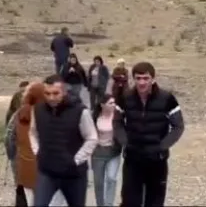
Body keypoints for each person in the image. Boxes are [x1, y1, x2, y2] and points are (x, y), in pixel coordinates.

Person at [114, 62, 185, 207]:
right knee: (129, 202)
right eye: (138, 78)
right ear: (133, 79)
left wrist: (162, 146)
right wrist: (125, 141)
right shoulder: (125, 98)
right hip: (133, 160)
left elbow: (178, 126)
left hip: (157, 161)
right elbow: (117, 122)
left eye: (146, 78)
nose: (142, 82)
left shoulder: (167, 99)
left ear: (153, 79)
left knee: (155, 202)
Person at [30, 74, 98, 207]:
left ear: (64, 92)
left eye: (55, 93)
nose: (51, 97)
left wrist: (76, 160)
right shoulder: (37, 110)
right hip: (47, 172)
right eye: (47, 93)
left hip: (73, 175)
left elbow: (91, 138)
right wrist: (37, 151)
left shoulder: (80, 111)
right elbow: (32, 132)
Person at [12, 82, 45, 206]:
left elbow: (10, 137)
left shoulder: (19, 114)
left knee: (30, 198)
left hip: (24, 162)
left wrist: (13, 157)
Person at [92, 94, 121, 207]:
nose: (113, 105)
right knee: (98, 183)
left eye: (114, 102)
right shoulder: (95, 116)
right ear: (102, 105)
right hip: (98, 153)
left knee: (111, 178)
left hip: (113, 152)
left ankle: (109, 204)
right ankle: (100, 204)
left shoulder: (118, 116)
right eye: (110, 103)